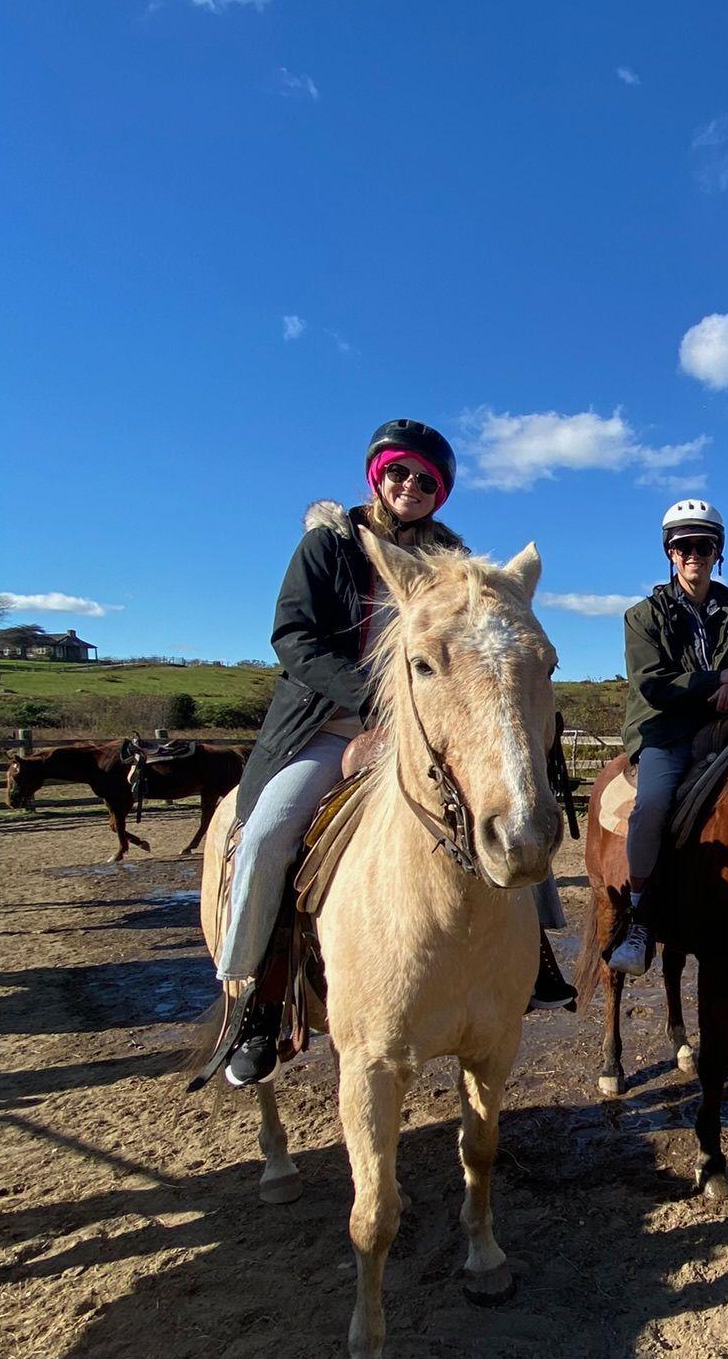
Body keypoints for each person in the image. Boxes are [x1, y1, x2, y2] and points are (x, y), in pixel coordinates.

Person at [213, 418, 575, 1089]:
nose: (411, 486)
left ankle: (537, 961)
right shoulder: (328, 547)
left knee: (514, 803)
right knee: (265, 834)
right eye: (400, 473)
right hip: (326, 726)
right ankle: (256, 1002)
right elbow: (294, 638)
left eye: (427, 479)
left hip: (425, 726)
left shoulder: (454, 562)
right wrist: (375, 702)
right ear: (376, 475)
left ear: (441, 492)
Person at [605, 499, 728, 975]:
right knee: (654, 804)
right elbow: (652, 685)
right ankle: (639, 917)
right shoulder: (642, 617)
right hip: (666, 731)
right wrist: (717, 679)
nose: (693, 554)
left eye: (703, 545)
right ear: (670, 553)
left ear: (717, 551)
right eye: (684, 546)